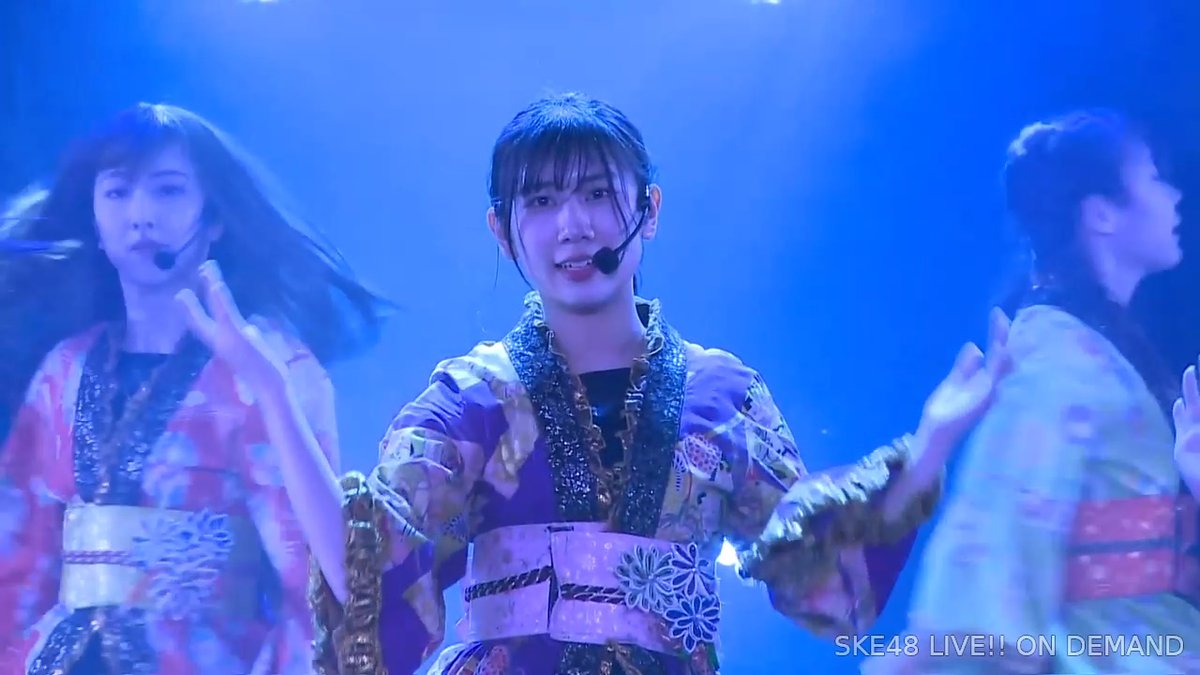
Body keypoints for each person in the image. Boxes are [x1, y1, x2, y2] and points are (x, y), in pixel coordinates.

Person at [224, 91, 1003, 675]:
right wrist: (275, 399)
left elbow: (816, 575)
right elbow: (369, 567)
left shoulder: (723, 395)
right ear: (502, 230)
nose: (574, 225)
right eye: (542, 201)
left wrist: (929, 448)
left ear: (648, 210)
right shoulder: (474, 398)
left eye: (598, 193)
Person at [0, 102, 389, 675]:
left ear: (214, 219)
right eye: (117, 193)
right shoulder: (64, 370)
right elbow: (17, 566)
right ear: (95, 220)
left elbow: (312, 574)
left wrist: (268, 387)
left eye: (168, 190)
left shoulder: (272, 364)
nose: (140, 215)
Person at [863, 109, 1199, 674]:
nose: (1175, 196)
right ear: (1101, 213)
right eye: (1153, 178)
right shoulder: (1058, 349)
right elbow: (1003, 536)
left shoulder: (1094, 348)